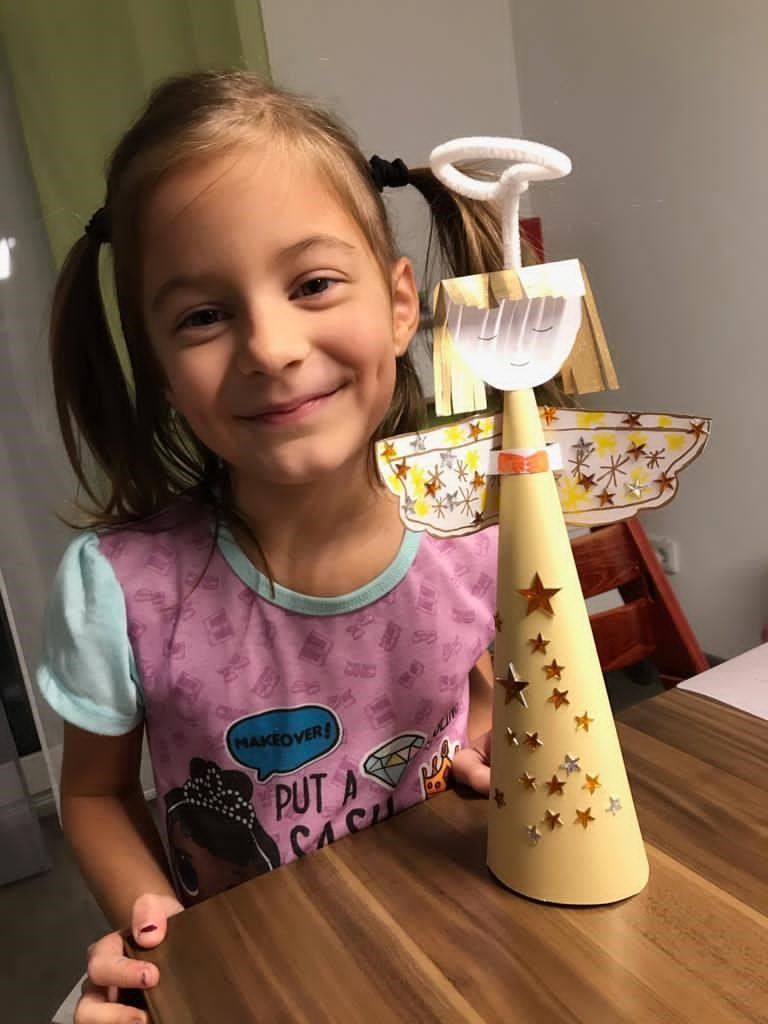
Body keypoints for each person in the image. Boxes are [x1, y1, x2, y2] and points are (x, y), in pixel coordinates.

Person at [37, 71, 517, 1024]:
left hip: (444, 954)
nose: (270, 346)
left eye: (312, 285)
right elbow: (93, 796)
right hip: (252, 981)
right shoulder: (121, 591)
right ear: (160, 368)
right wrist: (165, 929)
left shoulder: (476, 524)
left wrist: (480, 754)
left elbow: (473, 696)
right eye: (203, 316)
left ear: (399, 304)